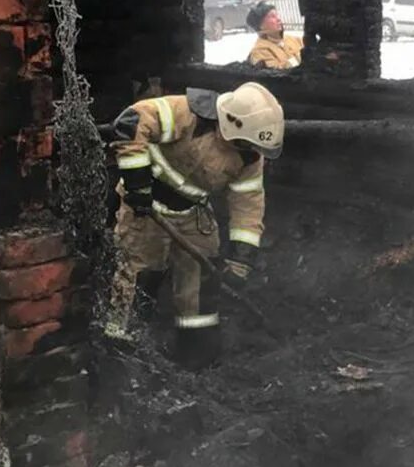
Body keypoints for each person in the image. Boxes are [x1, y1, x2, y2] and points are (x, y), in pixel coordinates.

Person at [105, 82, 284, 367]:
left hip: (193, 214)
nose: (252, 151)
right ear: (231, 124)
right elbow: (131, 122)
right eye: (248, 143)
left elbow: (248, 204)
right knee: (141, 274)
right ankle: (122, 351)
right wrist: (137, 185)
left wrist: (241, 260)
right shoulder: (186, 114)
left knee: (201, 282)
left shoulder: (249, 155)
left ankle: (197, 356)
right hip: (146, 210)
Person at [246, 2, 304, 70]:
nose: (278, 19)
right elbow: (276, 74)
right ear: (261, 26)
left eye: (277, 15)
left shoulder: (293, 39)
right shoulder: (259, 52)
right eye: (272, 16)